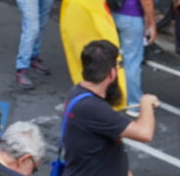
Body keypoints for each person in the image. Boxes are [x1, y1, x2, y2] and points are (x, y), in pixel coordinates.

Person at [59, 40, 159, 176]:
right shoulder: (93, 108)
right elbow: (144, 133)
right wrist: (146, 103)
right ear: (112, 73)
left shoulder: (78, 93)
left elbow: (107, 148)